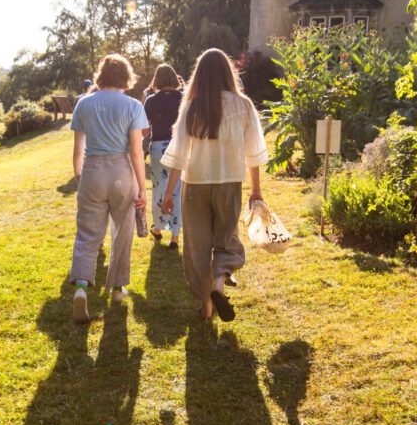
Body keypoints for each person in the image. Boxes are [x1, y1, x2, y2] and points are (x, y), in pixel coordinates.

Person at [160, 48, 268, 322]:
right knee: (227, 237)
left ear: (200, 76)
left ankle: (207, 306)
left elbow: (179, 153)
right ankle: (220, 283)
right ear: (227, 73)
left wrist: (168, 192)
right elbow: (254, 152)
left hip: (195, 184)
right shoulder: (243, 105)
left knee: (197, 245)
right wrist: (256, 190)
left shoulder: (191, 106)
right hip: (229, 181)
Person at [69, 54, 148, 323]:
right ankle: (116, 287)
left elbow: (78, 149)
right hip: (122, 170)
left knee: (88, 232)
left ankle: (81, 285)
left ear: (101, 75)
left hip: (92, 169)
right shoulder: (133, 105)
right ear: (126, 77)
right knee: (123, 230)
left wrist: (80, 177)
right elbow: (137, 152)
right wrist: (142, 188)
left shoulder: (84, 104)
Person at [143, 63, 183, 249]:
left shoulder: (151, 100)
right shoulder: (183, 98)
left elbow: (145, 130)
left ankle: (158, 228)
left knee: (159, 189)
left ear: (156, 80)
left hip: (158, 147)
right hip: (179, 146)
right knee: (177, 189)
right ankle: (175, 236)